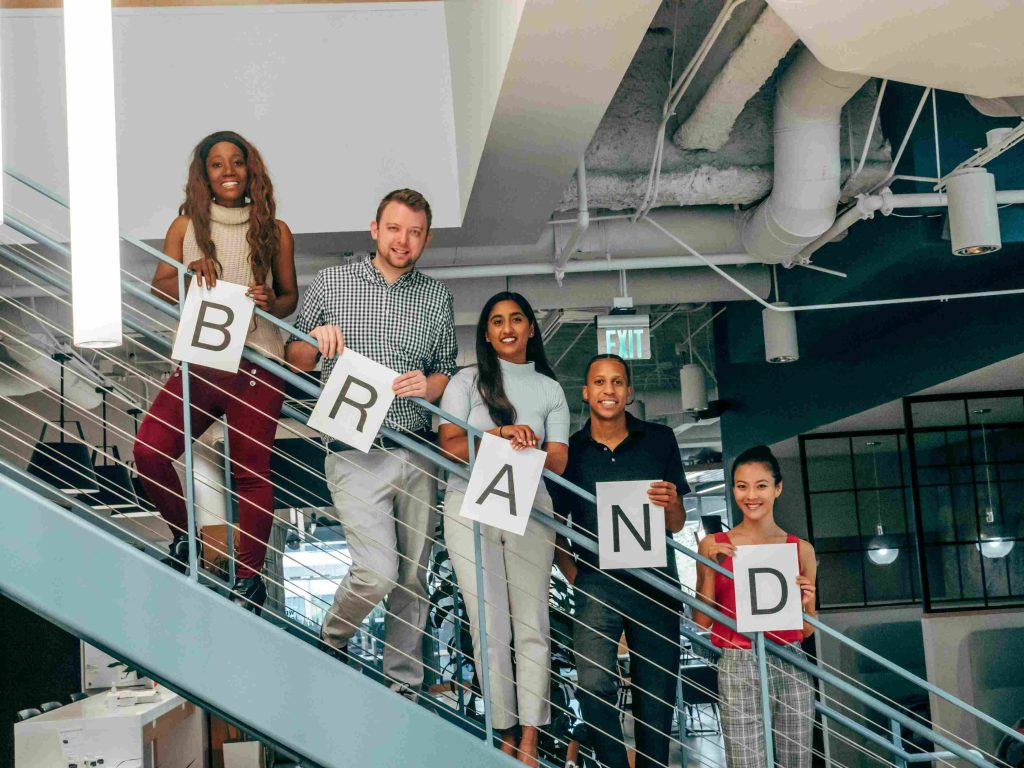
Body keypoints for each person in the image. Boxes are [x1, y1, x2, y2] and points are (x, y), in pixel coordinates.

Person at [285, 188, 457, 698]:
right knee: (377, 572)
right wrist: (317, 341)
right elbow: (294, 354)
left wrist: (431, 385)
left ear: (425, 238)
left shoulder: (436, 298)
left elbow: (445, 371)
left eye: (416, 232)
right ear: (375, 229)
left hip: (417, 448)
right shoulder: (332, 283)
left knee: (413, 579)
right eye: (395, 228)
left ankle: (403, 688)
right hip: (352, 448)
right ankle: (332, 638)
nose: (404, 240)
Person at [134, 130, 297, 613]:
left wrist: (272, 301)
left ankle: (248, 579)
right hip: (202, 359)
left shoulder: (276, 229)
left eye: (237, 162)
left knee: (251, 474)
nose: (228, 172)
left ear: (251, 170)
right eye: (217, 164)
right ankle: (186, 538)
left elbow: (289, 299)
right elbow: (161, 288)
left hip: (258, 363)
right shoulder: (185, 227)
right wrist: (187, 272)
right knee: (149, 451)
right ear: (204, 175)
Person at [438, 291, 570, 766]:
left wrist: (528, 444)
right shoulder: (466, 381)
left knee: (531, 623)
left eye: (517, 319)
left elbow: (557, 462)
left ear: (532, 328)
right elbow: (450, 446)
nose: (508, 327)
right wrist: (494, 436)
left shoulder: (549, 389)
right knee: (487, 625)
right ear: (487, 332)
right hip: (468, 507)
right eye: (497, 321)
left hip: (531, 507)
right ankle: (504, 730)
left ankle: (531, 737)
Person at [552, 353, 688, 768]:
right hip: (597, 582)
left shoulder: (661, 439)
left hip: (656, 583)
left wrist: (670, 505)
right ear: (586, 392)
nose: (608, 390)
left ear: (628, 392)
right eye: (599, 382)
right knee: (592, 684)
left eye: (616, 382)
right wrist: (575, 575)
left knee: (657, 695)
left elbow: (678, 523)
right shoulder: (570, 451)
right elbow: (556, 524)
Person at [694, 445, 817, 768]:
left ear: (778, 488)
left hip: (790, 658)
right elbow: (702, 620)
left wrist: (808, 600)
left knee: (797, 761)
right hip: (738, 660)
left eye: (761, 485)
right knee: (746, 762)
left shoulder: (800, 549)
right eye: (741, 486)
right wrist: (709, 568)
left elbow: (805, 629)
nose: (751, 495)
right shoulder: (714, 544)